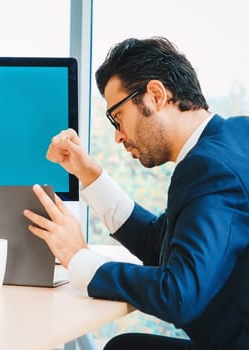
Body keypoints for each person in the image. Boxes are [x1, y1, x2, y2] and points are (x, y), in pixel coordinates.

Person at [23, 37, 249, 349]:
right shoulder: (236, 136)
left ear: (156, 95)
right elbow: (161, 243)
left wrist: (79, 258)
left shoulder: (208, 169)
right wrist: (88, 173)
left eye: (117, 117)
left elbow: (179, 295)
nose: (117, 136)